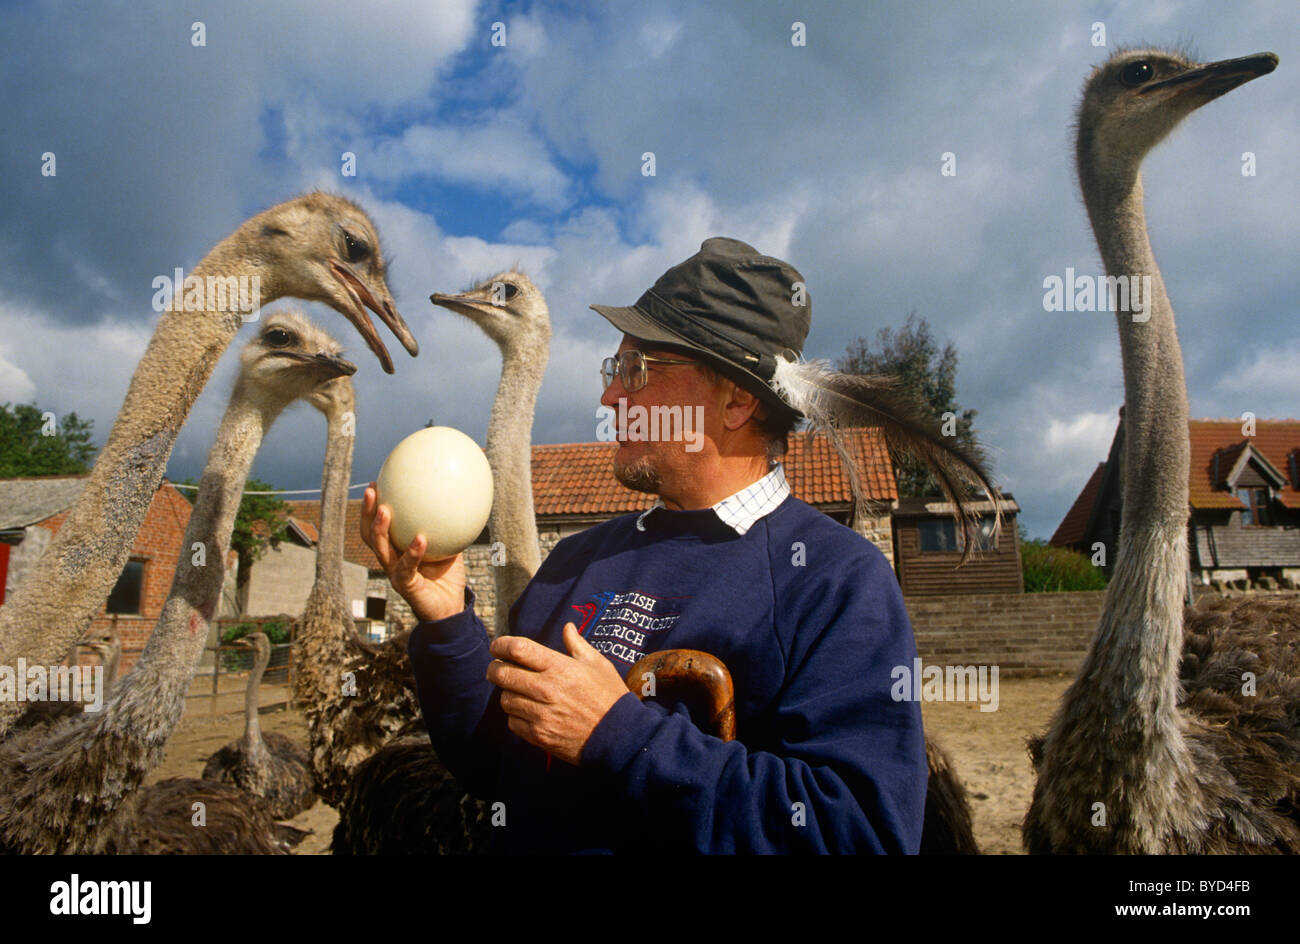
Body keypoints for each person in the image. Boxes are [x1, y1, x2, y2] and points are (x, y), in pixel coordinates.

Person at [361, 238, 927, 853]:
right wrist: (444, 619)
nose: (609, 398)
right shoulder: (575, 562)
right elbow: (496, 766)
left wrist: (616, 732)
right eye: (614, 370)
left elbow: (859, 831)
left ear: (736, 399)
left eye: (636, 371)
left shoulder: (834, 581)